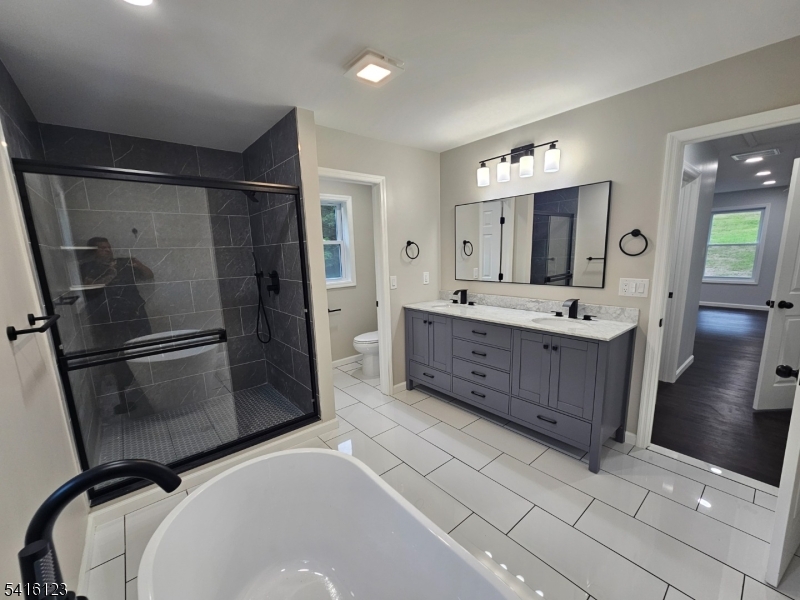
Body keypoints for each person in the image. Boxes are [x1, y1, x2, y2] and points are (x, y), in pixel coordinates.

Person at [80, 237, 155, 416]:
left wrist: (139, 265)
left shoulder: (124, 262)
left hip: (135, 311)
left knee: (147, 345)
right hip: (111, 317)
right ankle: (125, 389)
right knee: (119, 352)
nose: (107, 250)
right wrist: (110, 273)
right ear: (93, 251)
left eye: (109, 247)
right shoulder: (88, 268)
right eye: (102, 248)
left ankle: (148, 382)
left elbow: (149, 275)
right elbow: (89, 288)